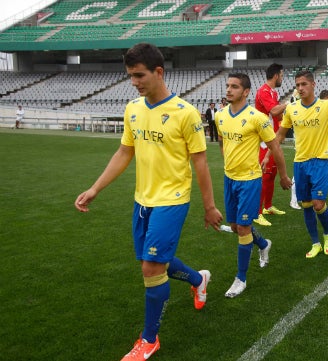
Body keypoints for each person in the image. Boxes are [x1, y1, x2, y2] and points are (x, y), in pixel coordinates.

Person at [74, 43, 223, 361]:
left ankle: (149, 339)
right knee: (158, 263)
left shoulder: (186, 114)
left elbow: (200, 163)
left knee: (150, 267)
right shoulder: (133, 109)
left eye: (139, 75)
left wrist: (209, 206)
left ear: (159, 72)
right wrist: (95, 188)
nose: (134, 82)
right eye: (130, 76)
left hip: (173, 200)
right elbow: (124, 152)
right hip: (143, 200)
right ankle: (199, 279)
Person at [217, 72, 291, 298]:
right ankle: (264, 244)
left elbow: (275, 146)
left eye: (235, 87)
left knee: (243, 229)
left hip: (249, 180)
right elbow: (221, 142)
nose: (229, 90)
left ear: (246, 92)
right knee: (235, 225)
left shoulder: (257, 117)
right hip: (229, 178)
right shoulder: (220, 116)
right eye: (228, 85)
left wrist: (283, 176)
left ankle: (241, 278)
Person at [274, 68, 328, 258]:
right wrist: (266, 155)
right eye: (297, 85)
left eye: (304, 84)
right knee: (305, 205)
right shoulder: (291, 108)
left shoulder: (327, 105)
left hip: (319, 162)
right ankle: (315, 243)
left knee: (318, 204)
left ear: (313, 84)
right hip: (300, 163)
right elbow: (279, 136)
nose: (301, 88)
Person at [254, 63, 288, 227]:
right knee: (264, 175)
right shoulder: (264, 91)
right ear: (276, 75)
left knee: (272, 174)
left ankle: (267, 206)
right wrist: (289, 104)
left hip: (273, 138)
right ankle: (257, 212)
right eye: (281, 75)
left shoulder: (273, 92)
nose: (282, 78)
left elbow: (276, 114)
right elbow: (274, 111)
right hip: (263, 140)